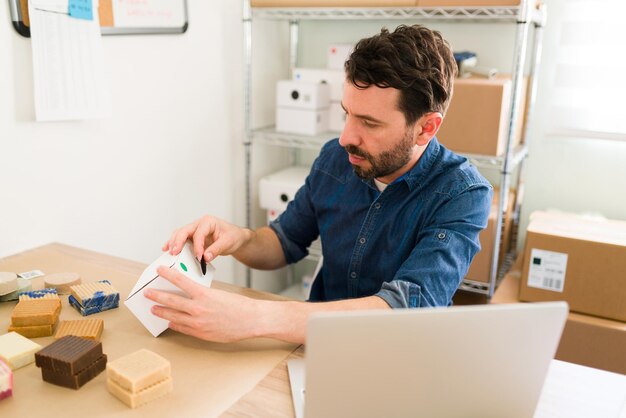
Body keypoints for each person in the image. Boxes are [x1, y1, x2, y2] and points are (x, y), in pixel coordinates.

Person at [144, 24, 493, 345]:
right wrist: (239, 238)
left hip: (399, 353)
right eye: (347, 114)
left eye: (369, 123)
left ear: (426, 128)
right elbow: (284, 241)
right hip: (316, 344)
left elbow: (408, 307)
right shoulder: (335, 158)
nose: (345, 138)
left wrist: (255, 317)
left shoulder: (462, 194)